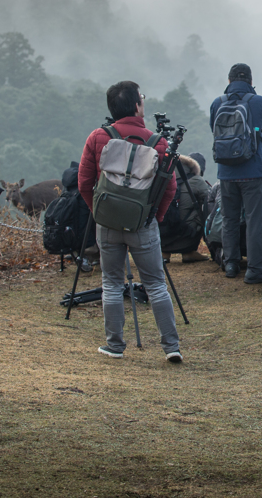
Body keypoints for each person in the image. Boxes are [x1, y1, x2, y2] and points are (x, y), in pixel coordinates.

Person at [78, 81, 182, 362]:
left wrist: (100, 213)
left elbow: (85, 182)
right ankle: (171, 347)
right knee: (156, 284)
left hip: (107, 223)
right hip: (142, 224)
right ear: (137, 105)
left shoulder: (98, 137)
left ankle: (114, 345)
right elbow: (170, 188)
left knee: (111, 283)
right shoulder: (157, 142)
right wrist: (153, 217)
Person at [209, 63, 262, 283]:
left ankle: (231, 264)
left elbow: (214, 128)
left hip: (226, 171)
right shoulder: (258, 102)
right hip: (253, 170)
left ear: (229, 81)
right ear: (250, 81)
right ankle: (255, 269)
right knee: (254, 220)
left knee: (229, 218)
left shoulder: (217, 103)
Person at [160, 152, 211, 264]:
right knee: (204, 208)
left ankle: (165, 253)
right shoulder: (197, 181)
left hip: (162, 235)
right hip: (187, 236)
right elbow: (210, 201)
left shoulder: (164, 177)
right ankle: (189, 252)